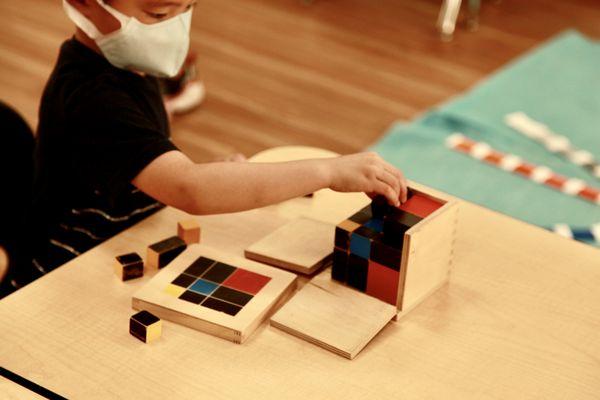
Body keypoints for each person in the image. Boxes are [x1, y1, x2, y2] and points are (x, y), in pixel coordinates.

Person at [7, 0, 407, 295]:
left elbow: (142, 157)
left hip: (124, 243)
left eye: (187, 8)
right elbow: (190, 190)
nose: (175, 27)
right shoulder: (91, 96)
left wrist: (214, 174)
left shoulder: (129, 66)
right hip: (59, 277)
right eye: (159, 16)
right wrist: (329, 170)